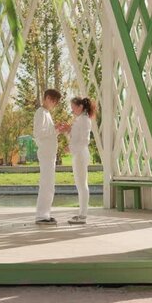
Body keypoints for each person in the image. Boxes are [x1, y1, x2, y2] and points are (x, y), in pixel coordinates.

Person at [60, 97, 96, 225]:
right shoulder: (80, 119)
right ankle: (81, 213)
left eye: (73, 108)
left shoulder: (85, 120)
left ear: (80, 106)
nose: (72, 110)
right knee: (79, 184)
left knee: (82, 184)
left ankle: (83, 215)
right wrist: (68, 130)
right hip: (77, 154)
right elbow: (74, 137)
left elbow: (84, 140)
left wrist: (70, 148)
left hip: (80, 154)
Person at [33, 89, 62, 225]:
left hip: (49, 154)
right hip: (46, 153)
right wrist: (54, 128)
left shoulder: (46, 113)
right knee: (46, 184)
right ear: (48, 98)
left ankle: (45, 213)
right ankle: (41, 215)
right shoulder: (41, 113)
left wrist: (56, 130)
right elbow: (39, 133)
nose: (54, 104)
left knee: (49, 185)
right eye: (54, 101)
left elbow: (48, 133)